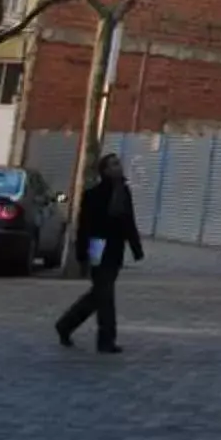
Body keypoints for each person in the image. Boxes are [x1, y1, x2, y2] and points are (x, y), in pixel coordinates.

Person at [55, 151, 143, 353]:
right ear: (104, 170)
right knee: (105, 294)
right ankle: (106, 339)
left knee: (99, 294)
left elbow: (129, 221)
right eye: (113, 165)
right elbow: (84, 226)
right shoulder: (93, 194)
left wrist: (136, 247)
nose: (118, 167)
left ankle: (65, 325)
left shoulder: (124, 193)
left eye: (118, 163)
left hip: (115, 248)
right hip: (97, 245)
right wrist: (82, 253)